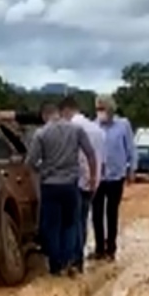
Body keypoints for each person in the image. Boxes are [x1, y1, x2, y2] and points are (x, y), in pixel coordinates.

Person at [26, 102, 97, 277]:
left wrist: (42, 171)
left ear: (44, 116)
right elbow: (90, 153)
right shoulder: (75, 130)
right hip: (70, 185)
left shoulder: (41, 133)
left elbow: (30, 162)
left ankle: (55, 265)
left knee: (51, 226)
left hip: (50, 186)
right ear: (58, 113)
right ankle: (70, 261)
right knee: (70, 224)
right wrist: (93, 176)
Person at [59, 96, 105, 273]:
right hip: (94, 181)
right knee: (83, 220)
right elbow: (102, 158)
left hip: (76, 180)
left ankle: (73, 259)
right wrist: (94, 178)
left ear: (66, 111)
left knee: (72, 222)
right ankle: (79, 259)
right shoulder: (98, 130)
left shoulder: (72, 128)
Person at [91, 94, 135, 261]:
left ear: (110, 109)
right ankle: (99, 248)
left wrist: (132, 169)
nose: (100, 112)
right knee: (96, 214)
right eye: (98, 109)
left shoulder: (123, 125)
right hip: (98, 177)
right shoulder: (93, 126)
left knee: (111, 213)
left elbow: (131, 148)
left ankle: (111, 249)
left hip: (116, 176)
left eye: (103, 108)